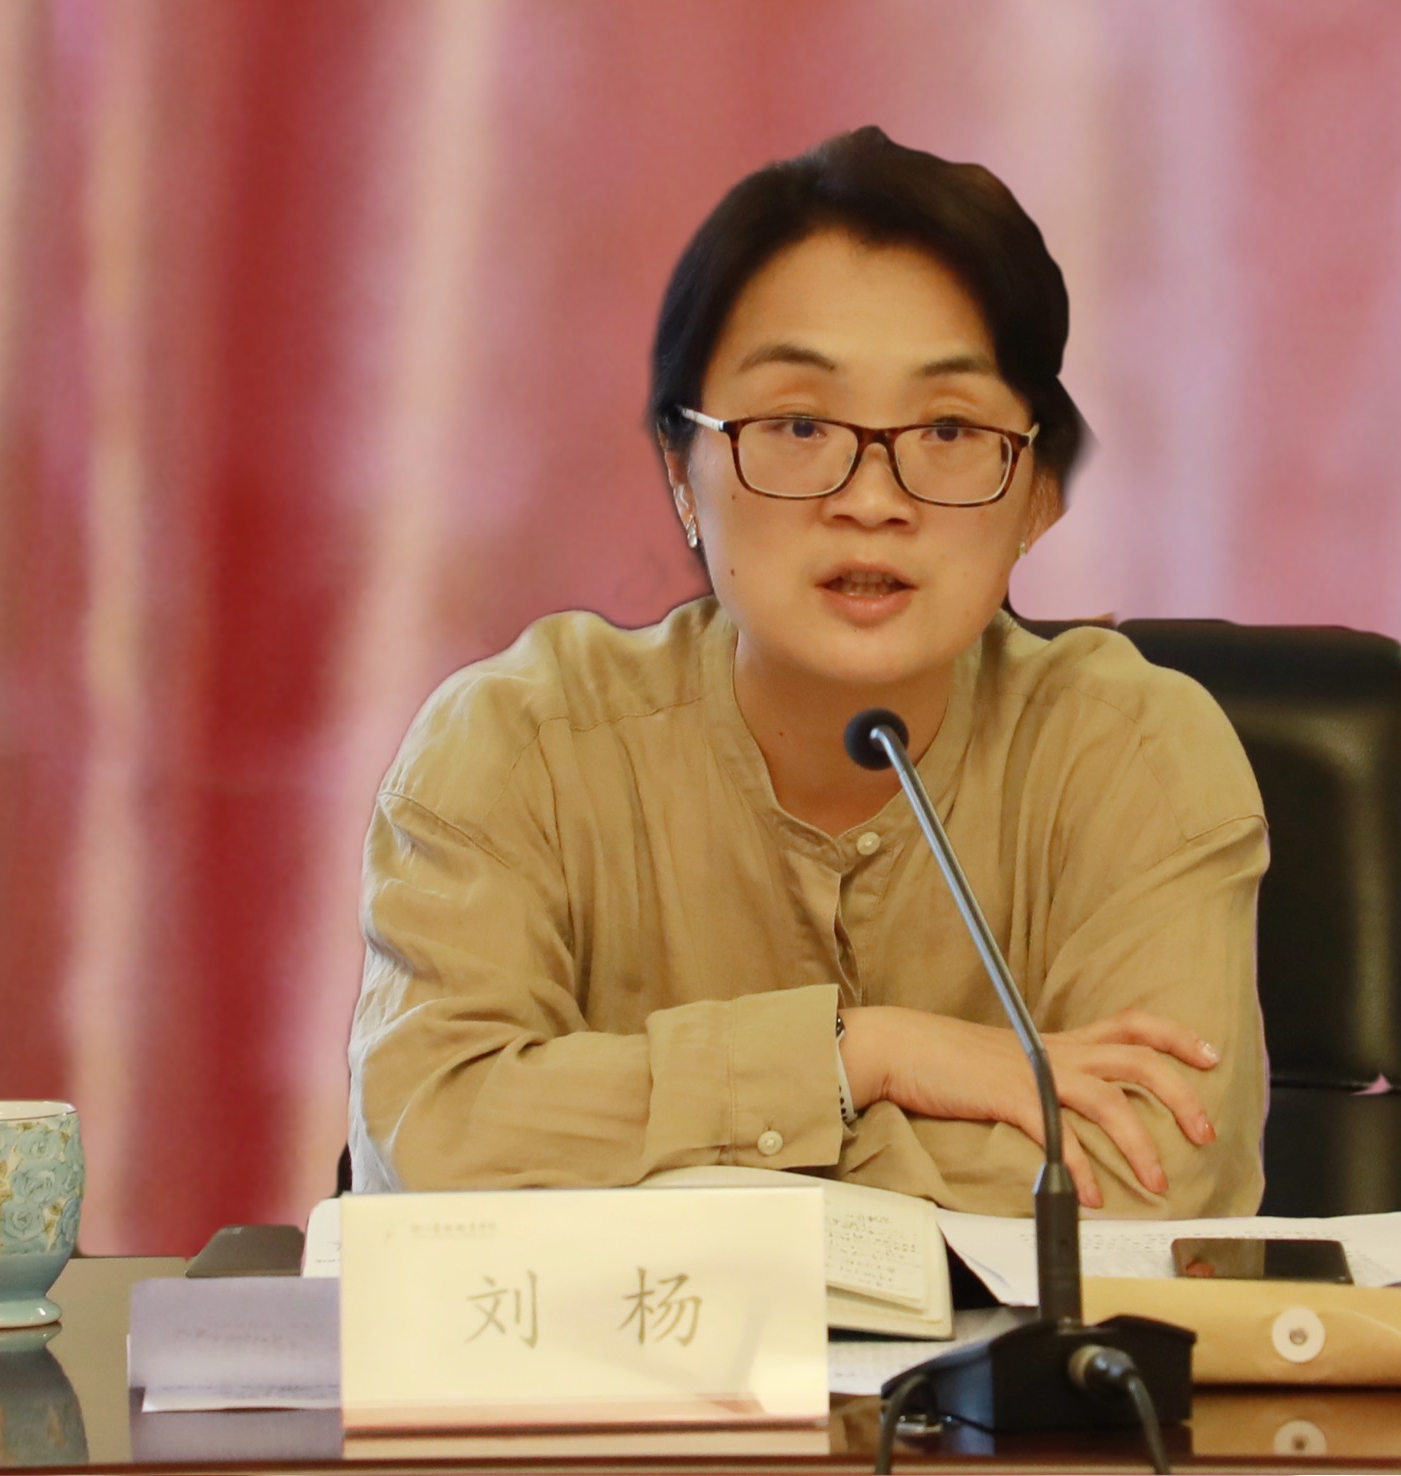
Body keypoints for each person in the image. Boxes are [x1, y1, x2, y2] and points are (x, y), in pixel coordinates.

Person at [347, 127, 1268, 1218]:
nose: (871, 499)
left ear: (1037, 494)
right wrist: (857, 1057)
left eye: (948, 428)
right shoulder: (518, 748)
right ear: (680, 473)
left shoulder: (1136, 754)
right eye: (796, 423)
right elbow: (432, 1138)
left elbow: (1152, 1178)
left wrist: (667, 1147)